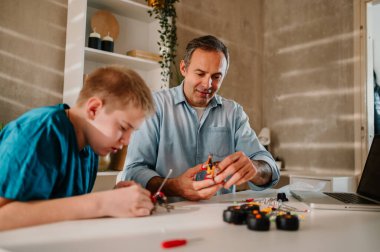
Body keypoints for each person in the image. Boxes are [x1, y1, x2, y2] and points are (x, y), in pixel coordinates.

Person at [121, 35, 280, 201]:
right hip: (167, 216)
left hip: (221, 218)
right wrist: (176, 186)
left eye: (216, 76)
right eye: (200, 73)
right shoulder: (155, 105)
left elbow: (269, 169)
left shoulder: (233, 113)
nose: (207, 84)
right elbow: (133, 171)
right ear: (183, 68)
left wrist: (255, 168)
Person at [0, 66, 155, 231]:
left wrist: (115, 199)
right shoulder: (38, 133)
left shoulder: (90, 147)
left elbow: (63, 208)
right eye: (124, 127)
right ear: (94, 109)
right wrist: (102, 202)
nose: (127, 141)